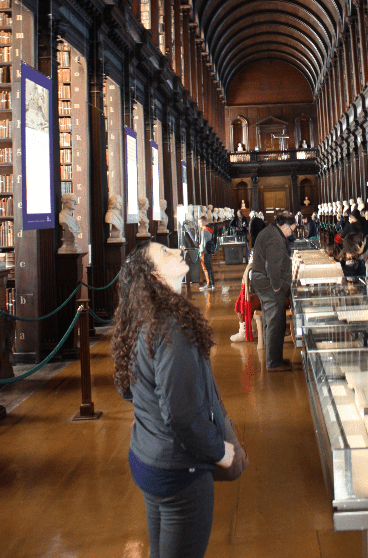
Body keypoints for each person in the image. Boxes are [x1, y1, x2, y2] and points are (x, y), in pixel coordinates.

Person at [110, 241, 234, 558]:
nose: (178, 252)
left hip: (147, 455)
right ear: (153, 276)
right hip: (178, 469)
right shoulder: (170, 327)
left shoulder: (139, 318)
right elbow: (182, 416)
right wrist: (220, 451)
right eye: (166, 253)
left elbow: (128, 389)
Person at [251, 212, 296, 371]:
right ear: (284, 226)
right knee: (275, 322)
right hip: (269, 285)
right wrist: (277, 287)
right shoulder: (275, 238)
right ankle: (273, 363)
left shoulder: (272, 232)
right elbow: (273, 267)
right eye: (291, 229)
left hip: (264, 283)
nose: (291, 232)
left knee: (273, 321)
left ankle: (275, 358)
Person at [198, 214, 215, 291]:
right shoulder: (208, 229)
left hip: (205, 252)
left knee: (206, 268)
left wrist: (200, 251)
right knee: (209, 267)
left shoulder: (204, 231)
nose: (199, 224)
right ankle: (212, 283)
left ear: (203, 222)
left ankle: (209, 284)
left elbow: (204, 243)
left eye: (200, 222)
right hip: (208, 251)